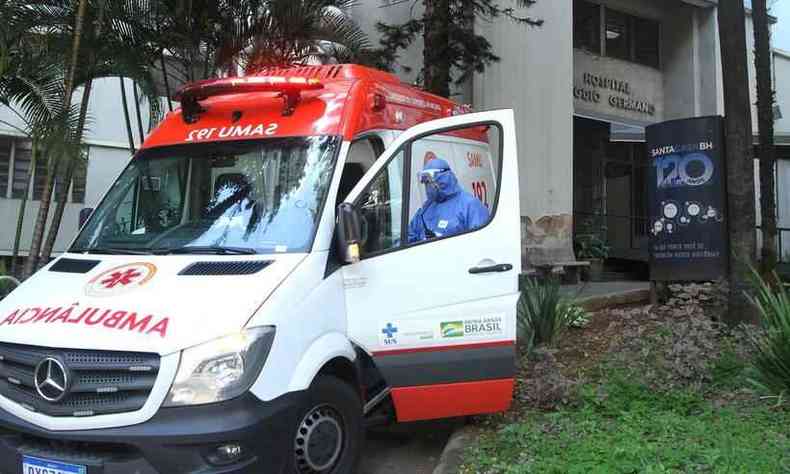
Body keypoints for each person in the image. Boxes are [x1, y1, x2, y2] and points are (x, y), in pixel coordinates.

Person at [408, 157, 490, 243]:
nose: (426, 187)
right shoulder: (426, 208)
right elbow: (408, 236)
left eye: (428, 182)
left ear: (442, 180)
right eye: (425, 183)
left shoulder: (470, 206)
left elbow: (481, 242)